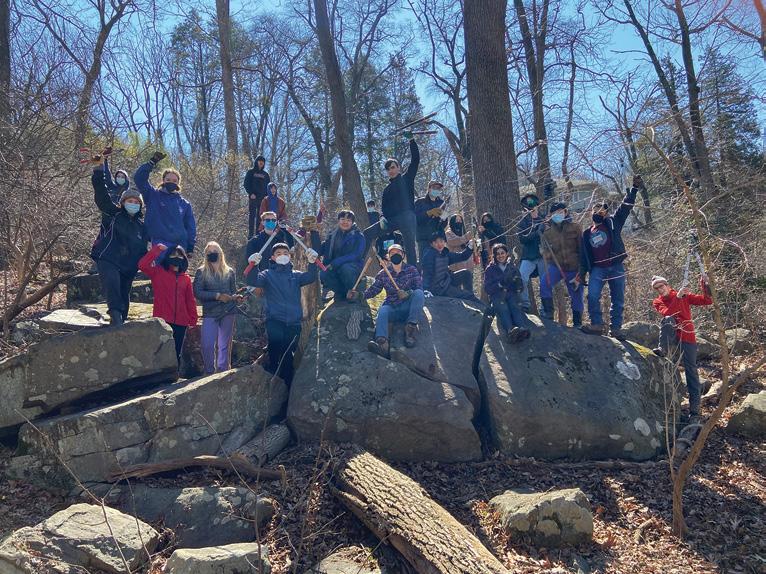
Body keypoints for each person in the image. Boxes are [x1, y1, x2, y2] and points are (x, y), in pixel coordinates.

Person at [89, 156, 148, 326]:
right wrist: (98, 170)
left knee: (124, 294)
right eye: (130, 201)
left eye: (136, 202)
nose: (133, 204)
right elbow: (101, 194)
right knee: (112, 284)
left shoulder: (141, 226)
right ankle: (115, 316)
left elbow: (143, 250)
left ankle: (121, 321)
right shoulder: (113, 213)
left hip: (127, 266)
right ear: (123, 202)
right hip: (108, 258)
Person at [249, 242, 319, 384]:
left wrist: (312, 263)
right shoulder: (267, 275)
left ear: (290, 256)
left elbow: (311, 277)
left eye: (286, 253)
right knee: (274, 352)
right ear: (273, 258)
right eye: (278, 253)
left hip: (294, 323)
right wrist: (254, 265)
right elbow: (253, 281)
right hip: (275, 320)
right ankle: (271, 384)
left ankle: (287, 386)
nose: (283, 256)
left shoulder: (296, 275)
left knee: (288, 355)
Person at [580, 177, 640, 339]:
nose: (598, 213)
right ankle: (597, 324)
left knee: (618, 298)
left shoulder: (613, 223)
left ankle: (616, 329)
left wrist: (634, 189)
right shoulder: (587, 233)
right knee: (592, 295)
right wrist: (582, 273)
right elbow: (584, 256)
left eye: (602, 211)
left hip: (615, 265)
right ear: (591, 213)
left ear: (605, 213)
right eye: (596, 210)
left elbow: (625, 208)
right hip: (597, 268)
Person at [651, 275, 713, 422]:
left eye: (661, 286)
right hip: (671, 339)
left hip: (687, 336)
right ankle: (662, 349)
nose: (660, 290)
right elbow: (668, 314)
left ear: (667, 285)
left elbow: (707, 300)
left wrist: (705, 284)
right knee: (668, 319)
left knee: (691, 373)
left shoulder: (684, 295)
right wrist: (678, 297)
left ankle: (695, 411)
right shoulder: (658, 301)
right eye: (657, 288)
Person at [349, 244, 424, 357]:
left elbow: (419, 287)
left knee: (418, 293)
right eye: (392, 253)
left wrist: (408, 293)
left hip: (408, 308)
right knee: (383, 310)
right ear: (388, 256)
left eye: (398, 253)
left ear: (403, 255)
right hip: (392, 307)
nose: (395, 255)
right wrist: (359, 295)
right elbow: (374, 290)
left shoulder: (411, 270)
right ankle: (382, 344)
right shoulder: (383, 273)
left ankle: (410, 331)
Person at [363, 133, 420, 266]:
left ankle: (413, 274)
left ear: (398, 168)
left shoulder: (407, 179)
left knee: (410, 247)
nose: (391, 170)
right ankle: (358, 264)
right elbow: (384, 209)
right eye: (388, 169)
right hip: (392, 220)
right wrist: (382, 217)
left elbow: (415, 160)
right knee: (367, 233)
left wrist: (411, 140)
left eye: (393, 167)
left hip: (407, 217)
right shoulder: (387, 190)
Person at [138, 243, 198, 362]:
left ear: (184, 259)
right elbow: (142, 265)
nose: (176, 257)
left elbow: (190, 300)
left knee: (176, 353)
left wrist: (193, 319)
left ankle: (175, 373)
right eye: (173, 254)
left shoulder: (186, 278)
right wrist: (157, 250)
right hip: (162, 321)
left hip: (181, 322)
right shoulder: (158, 272)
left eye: (179, 255)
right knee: (161, 353)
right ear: (167, 257)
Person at [134, 151, 197, 254]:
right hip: (156, 245)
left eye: (174, 180)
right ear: (163, 181)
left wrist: (190, 246)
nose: (171, 182)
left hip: (179, 248)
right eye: (168, 179)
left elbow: (190, 227)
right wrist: (151, 163)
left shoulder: (184, 204)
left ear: (178, 183)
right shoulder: (152, 195)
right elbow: (139, 179)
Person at [193, 242, 241, 374]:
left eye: (215, 251)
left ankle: (223, 372)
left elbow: (233, 291)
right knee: (207, 345)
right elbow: (198, 292)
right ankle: (209, 371)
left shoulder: (230, 271)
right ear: (206, 255)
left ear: (221, 253)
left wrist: (236, 297)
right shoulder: (201, 271)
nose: (212, 253)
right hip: (210, 312)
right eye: (209, 252)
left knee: (224, 346)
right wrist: (217, 296)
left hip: (228, 311)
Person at [539, 202, 584, 327]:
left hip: (574, 267)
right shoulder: (548, 233)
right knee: (544, 284)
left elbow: (582, 250)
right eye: (555, 213)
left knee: (576, 294)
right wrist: (545, 252)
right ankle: (548, 314)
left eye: (560, 212)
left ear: (565, 212)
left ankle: (577, 323)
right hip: (556, 267)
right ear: (551, 215)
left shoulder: (575, 228)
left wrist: (581, 271)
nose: (558, 214)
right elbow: (548, 254)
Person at [484, 243, 531, 343]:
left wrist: (518, 284)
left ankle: (522, 329)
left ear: (506, 254)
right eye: (498, 254)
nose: (500, 256)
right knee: (504, 308)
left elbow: (519, 287)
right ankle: (510, 331)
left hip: (511, 295)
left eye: (502, 253)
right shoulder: (490, 269)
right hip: (497, 297)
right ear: (494, 256)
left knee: (515, 307)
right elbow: (487, 289)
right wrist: (500, 284)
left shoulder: (512, 267)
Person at [320, 209, 366, 302]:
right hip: (334, 267)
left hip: (352, 268)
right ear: (338, 220)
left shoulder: (358, 236)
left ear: (352, 222)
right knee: (323, 273)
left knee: (345, 268)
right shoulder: (332, 235)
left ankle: (353, 292)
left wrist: (335, 263)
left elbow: (356, 255)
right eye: (342, 219)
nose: (345, 222)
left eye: (348, 220)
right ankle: (341, 293)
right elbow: (323, 249)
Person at [421, 231, 479, 302]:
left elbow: (462, 256)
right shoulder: (429, 255)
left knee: (466, 273)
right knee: (467, 295)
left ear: (444, 242)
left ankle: (470, 296)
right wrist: (426, 289)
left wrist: (470, 247)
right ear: (431, 244)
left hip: (447, 281)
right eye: (436, 242)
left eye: (441, 241)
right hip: (439, 288)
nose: (439, 244)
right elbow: (427, 274)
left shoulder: (445, 253)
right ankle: (471, 299)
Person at [516, 194, 546, 312]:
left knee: (545, 281)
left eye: (533, 205)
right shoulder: (523, 222)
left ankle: (545, 308)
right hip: (529, 255)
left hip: (543, 255)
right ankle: (525, 304)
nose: (531, 207)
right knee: (522, 277)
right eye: (528, 206)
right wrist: (536, 232)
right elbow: (522, 239)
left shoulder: (544, 219)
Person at [414, 180, 448, 260]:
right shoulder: (419, 202)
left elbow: (444, 223)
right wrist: (428, 213)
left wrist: (443, 217)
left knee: (441, 263)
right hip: (425, 240)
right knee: (426, 263)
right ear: (429, 189)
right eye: (434, 188)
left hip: (439, 240)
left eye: (438, 188)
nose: (437, 190)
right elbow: (415, 220)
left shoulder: (442, 203)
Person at [243, 154, 270, 238]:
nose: (261, 163)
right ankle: (250, 235)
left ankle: (258, 235)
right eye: (259, 161)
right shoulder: (251, 172)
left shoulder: (266, 175)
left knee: (260, 217)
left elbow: (268, 187)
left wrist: (267, 197)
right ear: (256, 162)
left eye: (263, 161)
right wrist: (250, 193)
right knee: (252, 216)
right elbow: (246, 184)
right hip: (253, 198)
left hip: (262, 199)